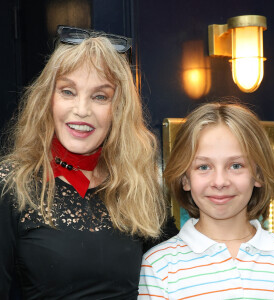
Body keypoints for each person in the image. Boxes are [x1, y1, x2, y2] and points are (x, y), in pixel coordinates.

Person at [0, 26, 177, 300]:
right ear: (48, 99)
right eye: (68, 92)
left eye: (100, 96)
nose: (82, 110)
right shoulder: (12, 183)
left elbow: (177, 271)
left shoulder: (138, 185)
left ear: (118, 109)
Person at [138, 102, 274, 299]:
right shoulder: (158, 267)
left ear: (258, 174)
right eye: (204, 167)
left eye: (236, 165)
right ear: (185, 179)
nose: (220, 182)